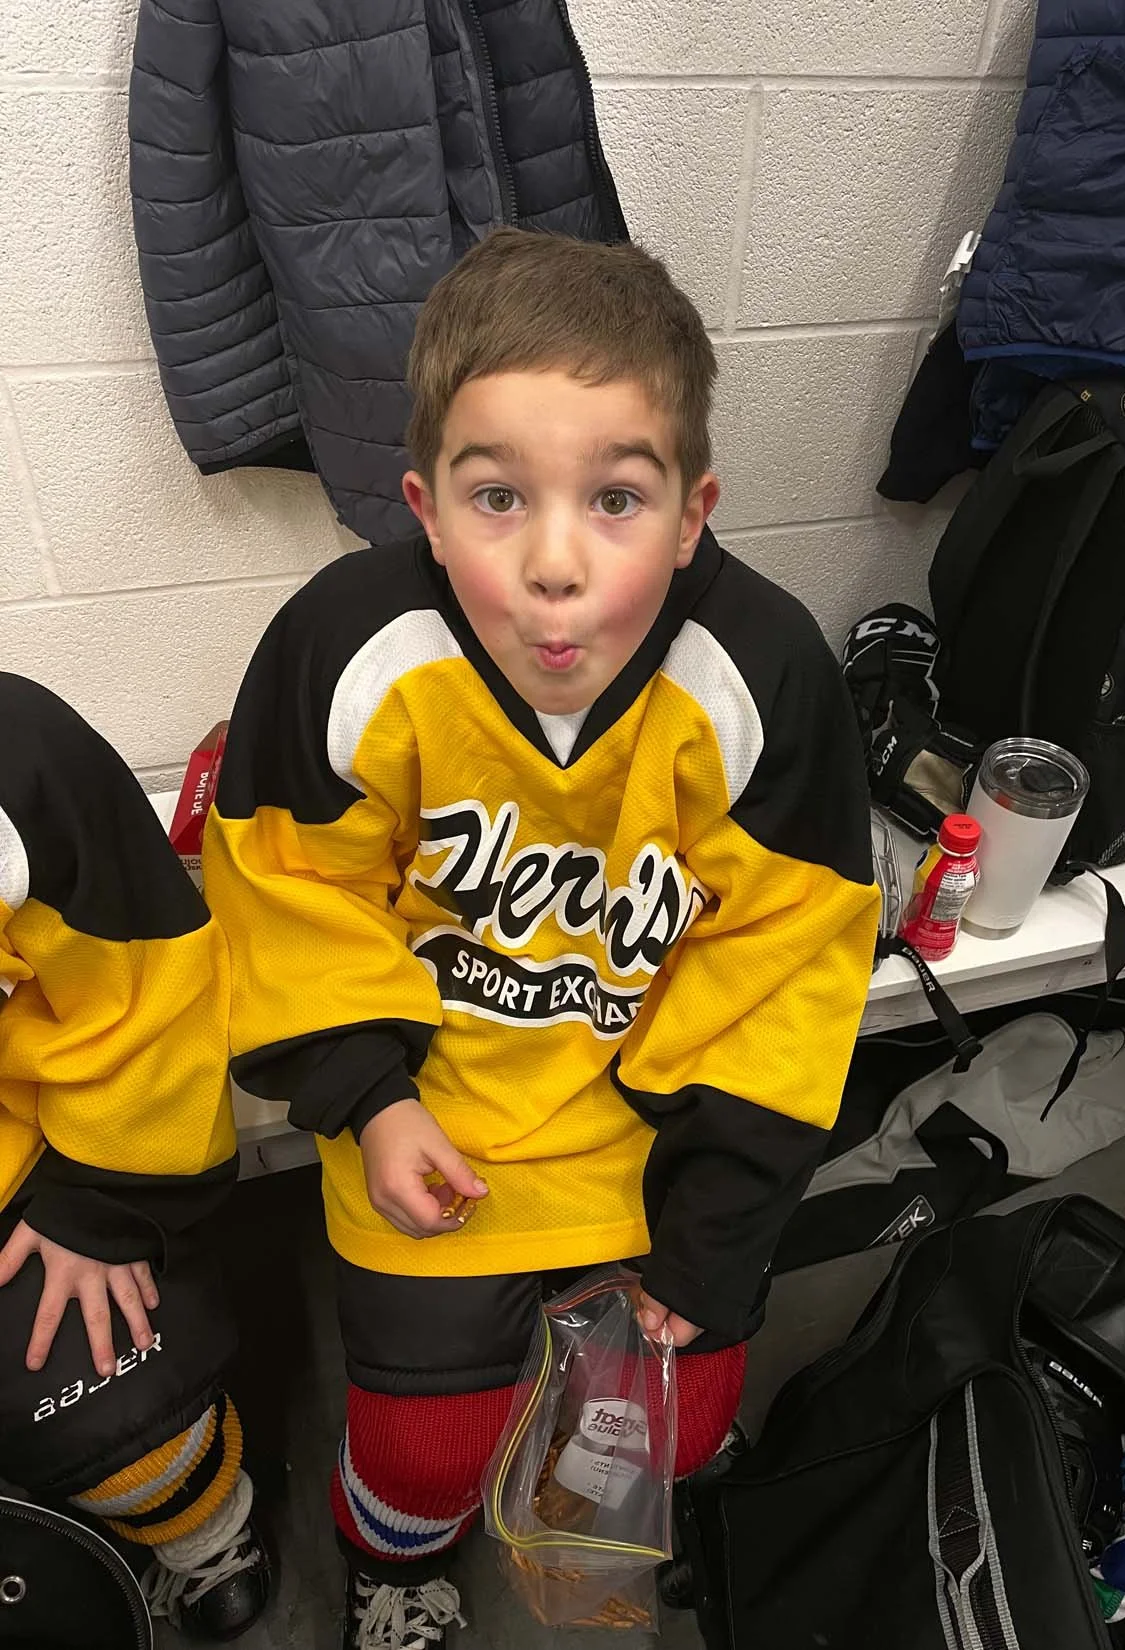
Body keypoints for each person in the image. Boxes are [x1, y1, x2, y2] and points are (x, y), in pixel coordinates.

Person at [204, 228, 879, 1650]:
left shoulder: (758, 674)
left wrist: (713, 1233)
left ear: (692, 513)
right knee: (421, 1459)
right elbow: (288, 895)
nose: (553, 564)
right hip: (425, 1125)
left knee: (668, 1430)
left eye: (615, 497)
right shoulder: (348, 642)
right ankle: (391, 1563)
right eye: (498, 496)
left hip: (643, 1144)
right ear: (425, 507)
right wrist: (367, 1098)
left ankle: (553, 1524)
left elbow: (781, 973)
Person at [0, 673, 272, 1638]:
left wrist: (99, 1204)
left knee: (134, 1434)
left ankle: (208, 1539)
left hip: (26, 1168)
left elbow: (150, 983)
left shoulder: (14, 751)